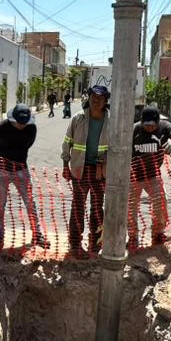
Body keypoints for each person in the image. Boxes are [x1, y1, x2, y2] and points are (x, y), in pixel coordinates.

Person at [0, 104, 48, 249]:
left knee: (30, 202)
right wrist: (5, 156)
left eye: (24, 123)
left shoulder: (31, 128)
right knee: (0, 203)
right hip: (2, 169)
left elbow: (28, 144)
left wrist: (16, 155)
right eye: (18, 123)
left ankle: (37, 234)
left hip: (21, 169)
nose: (21, 126)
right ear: (12, 118)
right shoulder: (0, 127)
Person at [61, 85, 110, 257]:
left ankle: (95, 243)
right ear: (88, 99)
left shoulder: (111, 121)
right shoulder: (78, 119)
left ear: (105, 101)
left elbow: (115, 146)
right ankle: (75, 243)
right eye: (93, 98)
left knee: (97, 207)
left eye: (100, 99)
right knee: (78, 206)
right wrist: (65, 165)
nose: (96, 102)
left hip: (100, 172)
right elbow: (67, 142)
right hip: (79, 170)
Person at [128, 105, 171, 249]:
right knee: (130, 208)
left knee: (160, 203)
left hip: (153, 176)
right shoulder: (135, 129)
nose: (149, 128)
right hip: (134, 176)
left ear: (157, 122)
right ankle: (132, 238)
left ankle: (157, 234)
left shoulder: (164, 127)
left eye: (152, 125)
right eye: (146, 125)